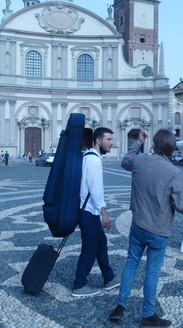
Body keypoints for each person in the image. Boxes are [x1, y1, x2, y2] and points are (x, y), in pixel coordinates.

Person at [108, 129, 183, 327]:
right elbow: (181, 207)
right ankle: (148, 315)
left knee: (130, 264)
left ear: (154, 143)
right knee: (152, 272)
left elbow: (125, 161)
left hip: (138, 223)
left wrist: (138, 142)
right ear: (171, 148)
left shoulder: (140, 161)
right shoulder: (174, 172)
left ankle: (120, 306)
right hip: (159, 229)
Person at [72, 127, 120, 297]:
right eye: (108, 140)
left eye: (112, 140)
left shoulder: (88, 157)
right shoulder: (94, 161)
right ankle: (79, 285)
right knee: (89, 249)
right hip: (88, 212)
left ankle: (109, 278)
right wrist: (104, 213)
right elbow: (96, 189)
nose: (111, 143)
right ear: (98, 141)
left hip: (85, 210)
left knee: (101, 243)